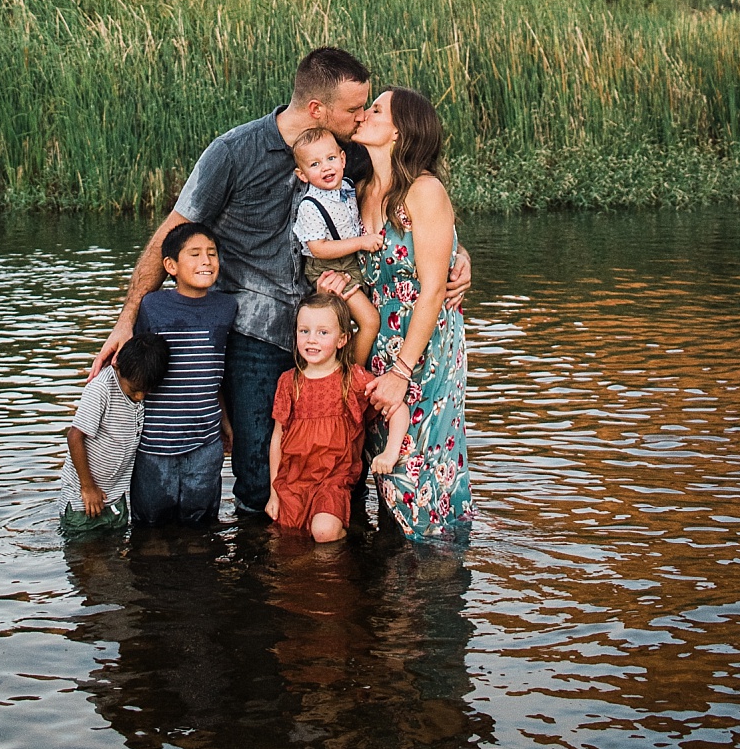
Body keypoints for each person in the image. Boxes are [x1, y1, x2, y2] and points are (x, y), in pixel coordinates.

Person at [90, 47, 472, 516]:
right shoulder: (233, 152)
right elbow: (172, 233)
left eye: (366, 108)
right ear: (317, 109)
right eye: (354, 109)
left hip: (333, 330)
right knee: (257, 470)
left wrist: (459, 255)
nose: (359, 118)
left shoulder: (350, 155)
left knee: (344, 463)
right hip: (257, 335)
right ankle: (263, 576)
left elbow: (413, 214)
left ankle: (340, 573)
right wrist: (127, 320)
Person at [349, 87, 474, 540]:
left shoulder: (424, 191)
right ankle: (391, 579)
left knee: (423, 463)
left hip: (424, 351)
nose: (365, 114)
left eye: (376, 110)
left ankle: (438, 565)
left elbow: (434, 288)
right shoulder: (360, 188)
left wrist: (402, 370)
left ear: (399, 132)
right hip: (375, 346)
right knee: (383, 463)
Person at [266, 291, 408, 544]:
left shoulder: (353, 379)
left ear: (342, 339)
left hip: (333, 479)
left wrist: (390, 452)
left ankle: (351, 542)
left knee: (324, 532)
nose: (312, 340)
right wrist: (273, 492)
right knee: (289, 542)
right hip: (293, 480)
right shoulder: (289, 382)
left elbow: (397, 407)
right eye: (304, 331)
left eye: (323, 332)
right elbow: (278, 437)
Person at [130, 222, 236, 526]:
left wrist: (225, 421)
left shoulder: (226, 306)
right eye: (195, 254)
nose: (206, 261)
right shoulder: (153, 305)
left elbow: (216, 373)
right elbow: (137, 370)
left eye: (212, 254)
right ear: (170, 266)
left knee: (201, 525)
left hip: (205, 440)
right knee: (150, 527)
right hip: (155, 442)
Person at [59, 332, 170, 538]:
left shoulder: (139, 380)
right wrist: (88, 487)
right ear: (117, 368)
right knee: (84, 558)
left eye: (145, 392)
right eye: (134, 390)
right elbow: (74, 437)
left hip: (115, 498)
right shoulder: (101, 389)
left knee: (116, 559)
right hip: (82, 501)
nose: (139, 397)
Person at [291, 127, 382, 365]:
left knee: (356, 322)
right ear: (302, 175)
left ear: (343, 159)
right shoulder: (310, 206)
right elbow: (318, 248)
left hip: (349, 261)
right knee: (370, 321)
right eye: (315, 164)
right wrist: (361, 242)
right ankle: (352, 376)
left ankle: (350, 363)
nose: (326, 168)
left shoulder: (348, 188)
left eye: (331, 159)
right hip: (327, 267)